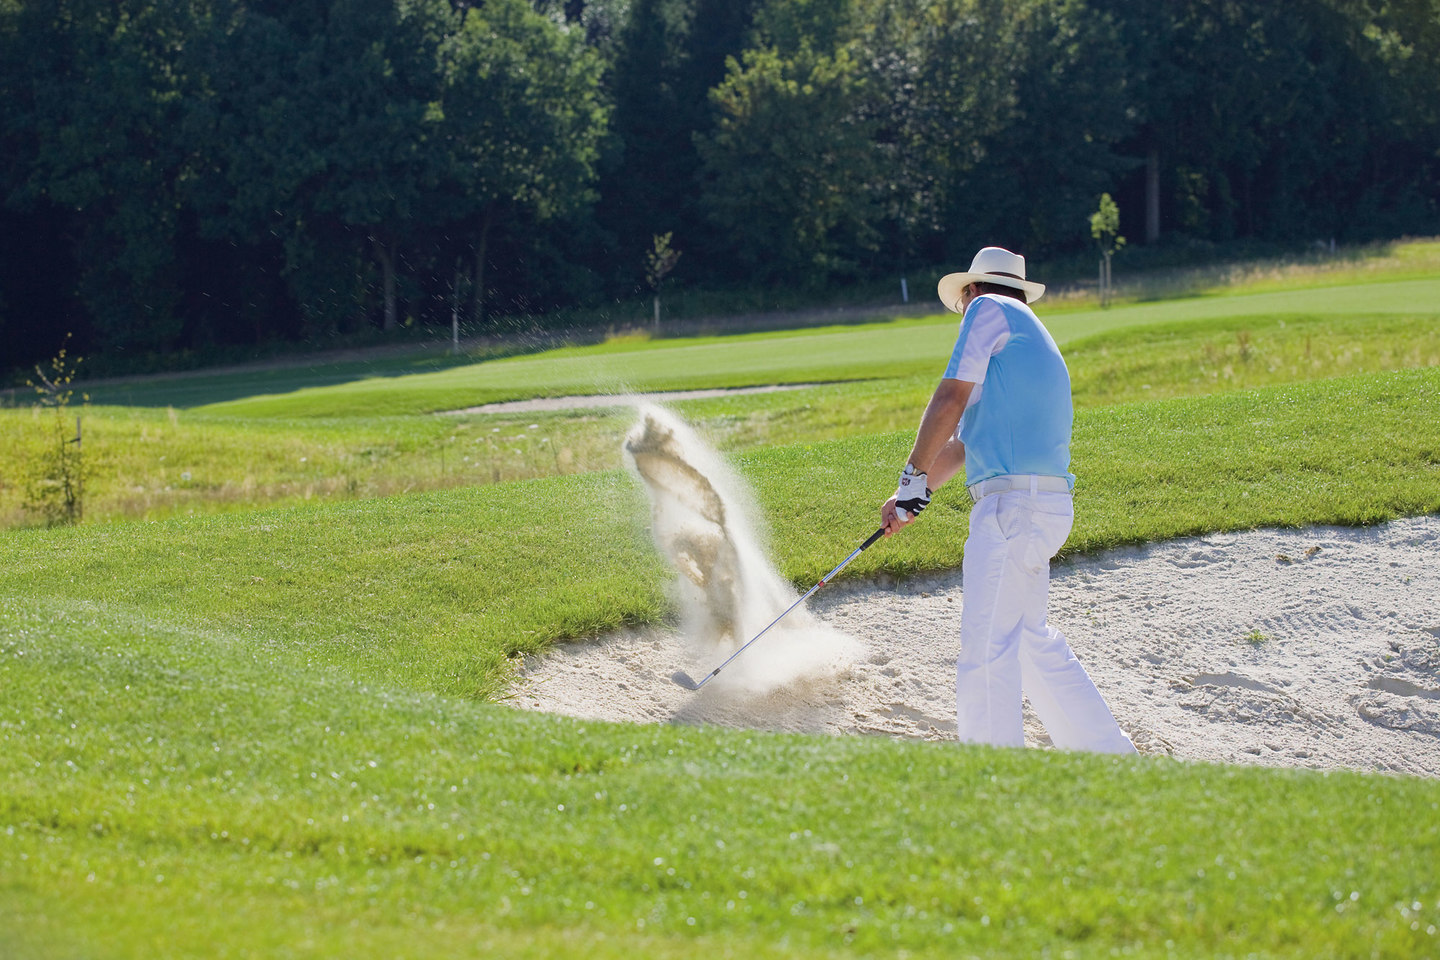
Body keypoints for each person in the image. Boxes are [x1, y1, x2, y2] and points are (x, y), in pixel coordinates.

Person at [880, 246, 1134, 754]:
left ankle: (991, 774)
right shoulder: (1022, 340)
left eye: (962, 303)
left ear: (975, 289)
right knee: (1026, 643)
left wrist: (911, 473)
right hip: (1040, 506)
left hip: (1014, 510)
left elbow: (950, 396)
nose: (962, 315)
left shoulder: (988, 310)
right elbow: (965, 444)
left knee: (986, 647)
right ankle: (1108, 755)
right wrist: (914, 493)